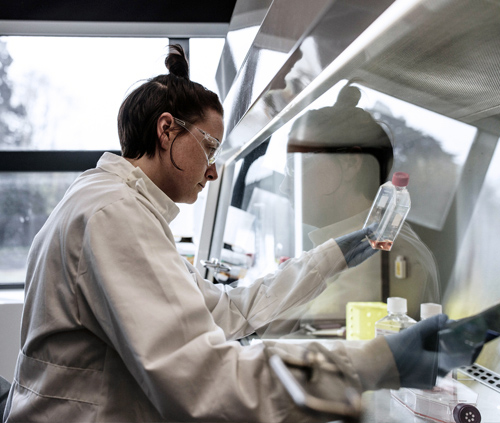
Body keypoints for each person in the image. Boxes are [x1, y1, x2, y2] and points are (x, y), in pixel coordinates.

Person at [3, 46, 480, 423]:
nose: (212, 172)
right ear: (166, 130)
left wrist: (337, 253)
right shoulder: (115, 215)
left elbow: (225, 312)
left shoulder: (113, 201)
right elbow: (201, 381)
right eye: (210, 148)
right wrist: (376, 363)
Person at [278, 84, 440, 327]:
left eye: (297, 165)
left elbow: (302, 345)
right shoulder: (350, 246)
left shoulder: (379, 257)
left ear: (350, 164)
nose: (283, 186)